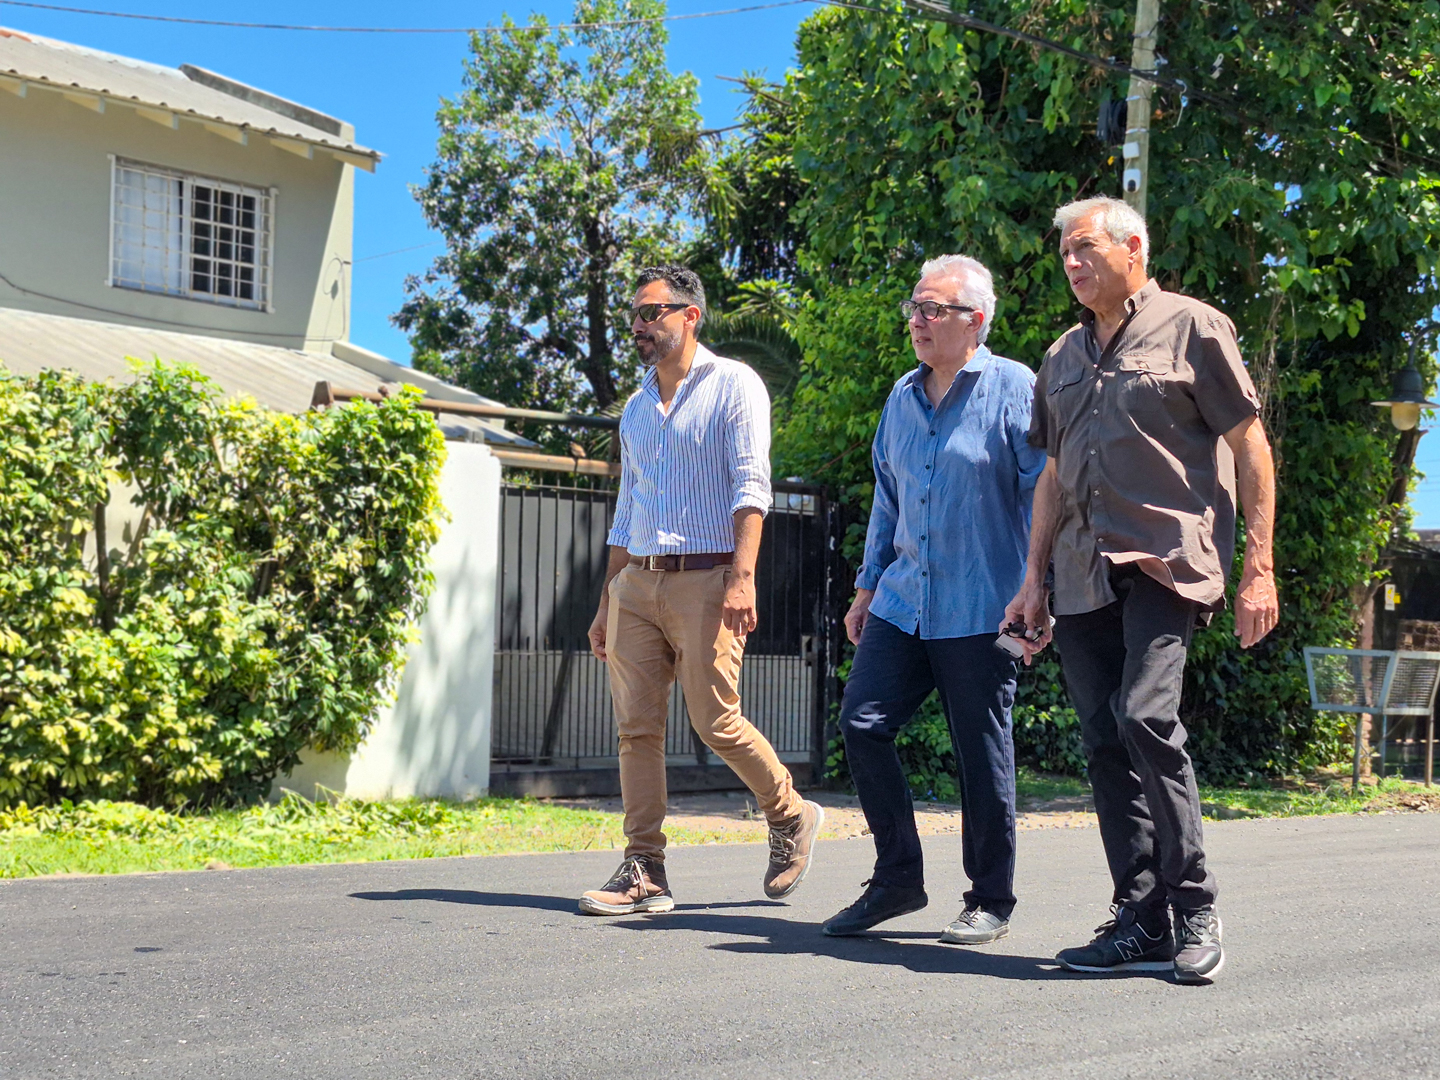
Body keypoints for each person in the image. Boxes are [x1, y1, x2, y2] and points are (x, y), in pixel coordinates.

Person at [1004, 196, 1278, 984]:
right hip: (1082, 570)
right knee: (1101, 741)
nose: (1071, 261)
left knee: (1145, 715)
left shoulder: (1195, 327)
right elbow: (1052, 474)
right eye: (1063, 252)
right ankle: (1141, 917)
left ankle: (1194, 906)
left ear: (1133, 248)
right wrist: (1033, 580)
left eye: (1084, 247)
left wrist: (1258, 564)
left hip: (1167, 559)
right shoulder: (1060, 356)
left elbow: (1249, 445)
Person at [580, 265, 824, 916]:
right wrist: (608, 599)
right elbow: (627, 510)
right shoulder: (635, 408)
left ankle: (789, 813)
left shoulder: (734, 385)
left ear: (690, 316)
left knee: (715, 719)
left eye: (652, 311)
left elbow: (752, 486)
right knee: (636, 729)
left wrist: (743, 578)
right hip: (639, 580)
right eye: (634, 314)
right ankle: (645, 869)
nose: (639, 323)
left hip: (709, 576)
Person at [822, 255, 1044, 942]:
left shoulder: (1015, 388)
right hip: (902, 600)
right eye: (914, 308)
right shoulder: (901, 396)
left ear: (975, 320)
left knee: (980, 751)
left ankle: (991, 899)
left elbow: (1046, 497)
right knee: (862, 724)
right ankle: (897, 881)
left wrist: (1040, 592)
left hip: (986, 606)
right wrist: (865, 588)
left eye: (932, 309)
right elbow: (889, 500)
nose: (917, 320)